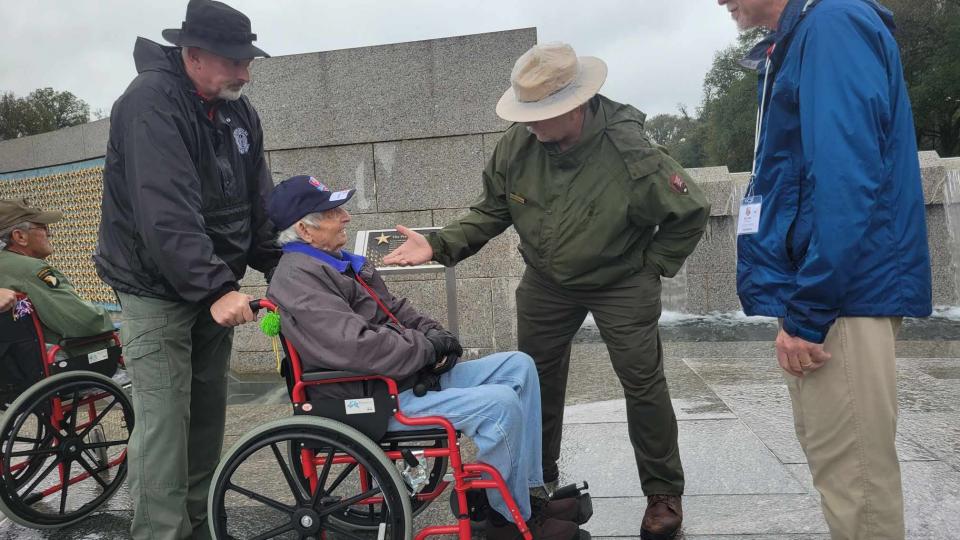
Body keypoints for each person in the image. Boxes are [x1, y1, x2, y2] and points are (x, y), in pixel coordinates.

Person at [384, 42, 709, 539]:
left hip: (621, 280)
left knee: (643, 384)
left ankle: (663, 491)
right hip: (548, 283)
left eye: (539, 114)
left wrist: (654, 266)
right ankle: (537, 481)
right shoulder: (518, 145)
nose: (528, 124)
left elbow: (691, 212)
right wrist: (438, 245)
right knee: (535, 380)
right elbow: (491, 210)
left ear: (573, 107)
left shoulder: (631, 150)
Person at [266, 175, 590, 540]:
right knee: (499, 405)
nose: (346, 217)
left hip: (397, 377)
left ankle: (522, 495)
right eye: (333, 211)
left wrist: (438, 335)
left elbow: (396, 310)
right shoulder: (297, 279)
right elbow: (358, 346)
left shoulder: (334, 261)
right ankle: (508, 518)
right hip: (369, 397)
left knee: (519, 366)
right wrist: (425, 350)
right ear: (304, 231)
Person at [715, 1, 932, 539]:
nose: (718, 1)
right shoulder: (809, 33)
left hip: (842, 297)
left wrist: (808, 312)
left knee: (856, 485)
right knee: (844, 471)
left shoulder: (831, 27)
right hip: (837, 293)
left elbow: (846, 177)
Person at [93, 1, 279, 537]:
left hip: (209, 287)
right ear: (193, 55)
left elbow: (256, 198)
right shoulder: (150, 103)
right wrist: (216, 286)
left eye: (248, 61)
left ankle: (195, 527)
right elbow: (164, 209)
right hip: (155, 288)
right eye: (234, 61)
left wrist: (277, 263)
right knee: (165, 429)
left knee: (205, 421)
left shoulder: (236, 108)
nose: (245, 73)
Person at [0, 199, 115, 353]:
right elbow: (85, 322)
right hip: (68, 363)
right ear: (20, 236)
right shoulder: (31, 269)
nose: (49, 233)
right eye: (42, 227)